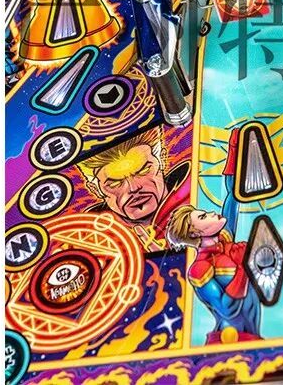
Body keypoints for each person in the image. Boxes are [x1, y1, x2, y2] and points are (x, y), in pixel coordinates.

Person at [166, 149, 261, 344]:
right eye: (203, 217)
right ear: (194, 233)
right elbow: (227, 309)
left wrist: (236, 149)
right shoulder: (200, 269)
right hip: (228, 341)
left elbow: (233, 196)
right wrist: (242, 267)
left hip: (250, 337)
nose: (211, 213)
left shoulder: (225, 239)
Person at [80, 126, 189, 252]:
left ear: (162, 160)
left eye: (143, 171)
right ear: (95, 189)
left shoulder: (197, 195)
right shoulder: (91, 240)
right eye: (115, 184)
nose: (134, 188)